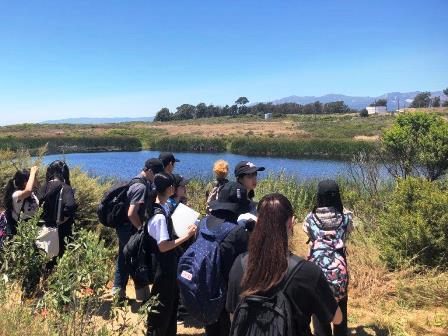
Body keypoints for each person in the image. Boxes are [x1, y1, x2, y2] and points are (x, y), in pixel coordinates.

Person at [226, 193, 342, 336]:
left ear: (258, 222)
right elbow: (337, 319)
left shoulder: (240, 264)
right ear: (291, 222)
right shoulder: (307, 272)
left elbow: (233, 316)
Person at [146, 172, 197, 336]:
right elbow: (163, 246)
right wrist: (186, 236)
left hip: (165, 265)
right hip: (163, 266)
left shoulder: (160, 205)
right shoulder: (160, 216)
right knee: (163, 305)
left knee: (169, 304)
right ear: (169, 189)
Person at [201, 181, 254, 336]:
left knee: (211, 329)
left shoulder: (204, 223)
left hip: (206, 287)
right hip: (226, 294)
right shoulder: (238, 232)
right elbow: (245, 262)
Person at [303, 180, 353, 336]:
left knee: (318, 310)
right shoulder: (346, 218)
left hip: (316, 271)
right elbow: (347, 234)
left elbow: (308, 233)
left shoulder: (310, 219)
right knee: (341, 307)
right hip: (339, 268)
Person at [112, 158, 164, 301]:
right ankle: (142, 295)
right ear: (150, 171)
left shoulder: (136, 180)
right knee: (135, 260)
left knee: (123, 258)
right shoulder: (140, 187)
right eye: (157, 174)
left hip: (123, 227)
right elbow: (131, 213)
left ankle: (118, 293)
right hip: (129, 229)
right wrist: (141, 229)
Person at [39, 160, 77, 269]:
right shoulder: (65, 188)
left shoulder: (44, 187)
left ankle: (43, 281)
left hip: (44, 229)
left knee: (45, 258)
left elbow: (37, 205)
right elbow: (70, 207)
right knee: (59, 260)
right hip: (61, 230)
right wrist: (60, 221)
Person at [3, 166, 40, 235]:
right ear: (25, 182)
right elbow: (28, 190)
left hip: (32, 228)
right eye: (31, 179)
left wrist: (34, 175)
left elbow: (36, 186)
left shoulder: (32, 192)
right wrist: (32, 173)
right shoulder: (16, 195)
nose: (34, 180)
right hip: (21, 233)